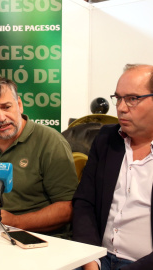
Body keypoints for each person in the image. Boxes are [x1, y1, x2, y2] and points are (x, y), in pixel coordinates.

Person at [0, 77, 78, 238]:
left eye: (6, 107)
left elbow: (67, 209)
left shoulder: (50, 141)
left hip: (37, 240)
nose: (1, 118)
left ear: (19, 104)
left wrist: (17, 222)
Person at [72, 64, 153, 270]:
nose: (121, 107)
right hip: (97, 259)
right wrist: (90, 260)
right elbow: (84, 203)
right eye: (118, 98)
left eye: (133, 99)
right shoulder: (107, 139)